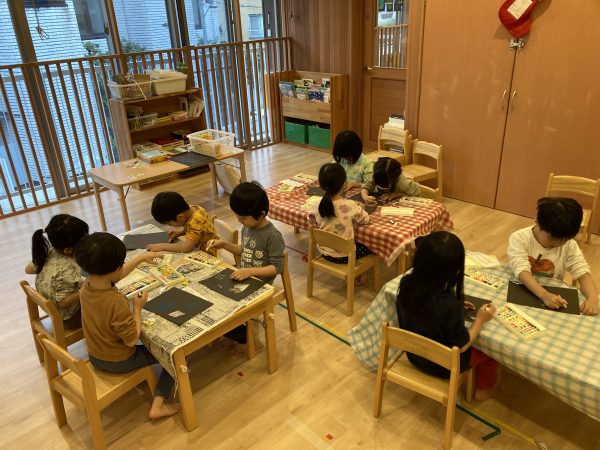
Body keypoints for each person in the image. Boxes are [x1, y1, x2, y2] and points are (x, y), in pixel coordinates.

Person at [74, 232, 179, 419]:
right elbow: (131, 340)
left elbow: (115, 275)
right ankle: (159, 405)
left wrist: (141, 258)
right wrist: (137, 308)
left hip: (95, 354)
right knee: (173, 356)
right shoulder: (115, 301)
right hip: (119, 361)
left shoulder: (86, 286)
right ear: (116, 268)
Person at [396, 231, 498, 401]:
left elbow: (427, 308)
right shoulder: (448, 306)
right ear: (454, 270)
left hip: (414, 355)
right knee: (490, 353)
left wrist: (456, 303)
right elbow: (462, 346)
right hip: (444, 367)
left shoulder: (406, 283)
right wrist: (480, 320)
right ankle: (483, 392)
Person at [206, 182, 285, 349]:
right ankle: (232, 332)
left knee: (228, 303)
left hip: (261, 283)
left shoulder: (272, 235)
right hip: (245, 276)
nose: (239, 221)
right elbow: (245, 250)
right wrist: (224, 245)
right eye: (237, 217)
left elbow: (277, 267)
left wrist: (250, 271)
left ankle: (244, 338)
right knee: (212, 292)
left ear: (261, 214)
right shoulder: (248, 228)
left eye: (243, 218)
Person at [508, 197, 599, 315]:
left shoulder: (569, 245)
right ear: (537, 221)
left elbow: (583, 274)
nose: (557, 244)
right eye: (551, 239)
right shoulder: (520, 238)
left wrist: (593, 298)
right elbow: (522, 271)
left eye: (564, 240)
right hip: (522, 289)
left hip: (551, 295)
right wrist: (544, 295)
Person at [24, 214, 89, 329]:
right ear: (68, 249)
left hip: (51, 310)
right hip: (70, 318)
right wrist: (85, 290)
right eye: (84, 241)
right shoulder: (67, 270)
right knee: (106, 299)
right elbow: (62, 302)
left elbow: (28, 270)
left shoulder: (48, 251)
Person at [309, 163, 371, 266]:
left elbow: (311, 219)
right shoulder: (350, 205)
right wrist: (361, 208)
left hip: (325, 251)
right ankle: (361, 273)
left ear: (320, 184)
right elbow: (365, 219)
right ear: (344, 184)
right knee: (371, 247)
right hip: (345, 256)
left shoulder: (316, 205)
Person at [147, 191, 217, 254]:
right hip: (200, 247)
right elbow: (197, 231)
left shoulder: (196, 222)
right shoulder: (194, 209)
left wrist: (161, 246)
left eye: (169, 224)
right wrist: (180, 233)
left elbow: (185, 248)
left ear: (180, 217)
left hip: (207, 253)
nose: (170, 226)